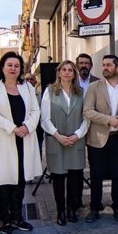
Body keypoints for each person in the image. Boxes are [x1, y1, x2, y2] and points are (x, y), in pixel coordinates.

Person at [0, 52, 41, 234]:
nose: (13, 69)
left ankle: (18, 217)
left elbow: (35, 110)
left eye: (16, 66)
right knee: (3, 181)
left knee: (20, 180)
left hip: (24, 138)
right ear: (2, 67)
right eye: (9, 65)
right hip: (3, 139)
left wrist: (26, 126)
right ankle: (4, 219)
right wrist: (13, 128)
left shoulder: (27, 89)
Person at [41, 60, 89, 225]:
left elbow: (86, 118)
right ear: (59, 72)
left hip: (76, 140)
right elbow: (45, 119)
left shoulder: (81, 92)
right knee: (59, 178)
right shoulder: (49, 91)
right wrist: (58, 135)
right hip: (56, 140)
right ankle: (60, 211)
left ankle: (71, 209)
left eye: (71, 70)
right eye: (64, 69)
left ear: (74, 74)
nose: (67, 72)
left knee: (75, 178)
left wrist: (77, 135)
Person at [84, 55, 118, 222]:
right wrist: (108, 120)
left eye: (109, 65)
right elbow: (87, 111)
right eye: (103, 65)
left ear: (117, 68)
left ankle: (117, 206)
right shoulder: (93, 87)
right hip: (98, 138)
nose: (105, 68)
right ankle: (94, 208)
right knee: (96, 174)